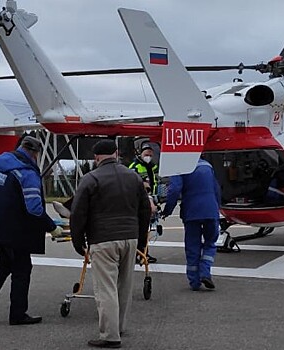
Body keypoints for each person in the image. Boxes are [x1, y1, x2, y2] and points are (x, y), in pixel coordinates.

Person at [0, 136, 62, 325]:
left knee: (4, 264)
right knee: (22, 269)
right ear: (35, 154)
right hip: (14, 231)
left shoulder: (1, 164)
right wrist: (51, 227)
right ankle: (18, 314)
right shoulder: (26, 173)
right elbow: (34, 208)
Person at [70, 139, 151, 349]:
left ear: (96, 158)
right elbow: (144, 211)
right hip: (130, 237)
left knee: (105, 288)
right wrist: (141, 242)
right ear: (116, 153)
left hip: (103, 239)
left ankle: (110, 335)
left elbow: (78, 213)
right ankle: (120, 326)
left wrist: (78, 242)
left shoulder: (90, 179)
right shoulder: (133, 177)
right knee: (124, 285)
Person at [162, 156, 221, 291]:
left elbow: (175, 190)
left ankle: (194, 281)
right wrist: (217, 208)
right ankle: (205, 271)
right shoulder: (207, 166)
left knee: (192, 245)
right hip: (210, 210)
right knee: (210, 242)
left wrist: (167, 210)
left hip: (191, 212)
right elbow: (217, 189)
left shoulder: (179, 167)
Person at [129, 143, 159, 264]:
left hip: (151, 201)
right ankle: (140, 254)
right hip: (139, 203)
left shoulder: (152, 167)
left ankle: (143, 253)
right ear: (140, 154)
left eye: (150, 154)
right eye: (146, 154)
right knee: (140, 231)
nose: (149, 156)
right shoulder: (134, 167)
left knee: (145, 230)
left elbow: (155, 183)